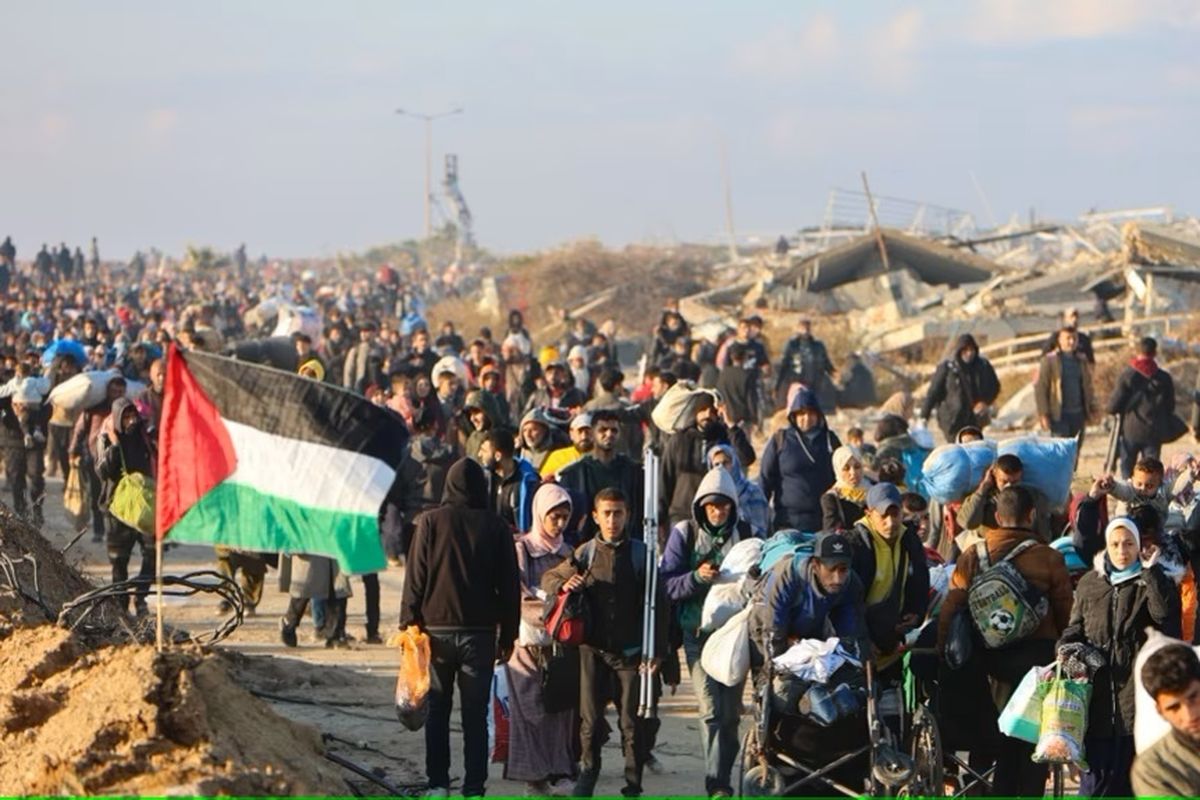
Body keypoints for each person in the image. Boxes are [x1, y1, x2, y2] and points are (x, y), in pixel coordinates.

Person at [937, 486, 1073, 797]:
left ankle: (982, 788)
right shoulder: (1049, 558)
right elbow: (1065, 612)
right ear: (1031, 515)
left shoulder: (974, 555)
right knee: (1030, 741)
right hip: (1036, 664)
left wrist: (942, 650)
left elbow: (952, 606)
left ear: (997, 518)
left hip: (987, 663)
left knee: (987, 733)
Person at [400, 458, 521, 798]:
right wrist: (509, 635)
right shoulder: (496, 527)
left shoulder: (430, 522)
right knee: (475, 716)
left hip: (435, 633)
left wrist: (408, 623)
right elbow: (509, 585)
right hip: (479, 635)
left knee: (437, 711)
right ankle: (474, 788)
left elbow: (415, 577)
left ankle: (438, 785)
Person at [542, 488, 667, 798]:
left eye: (618, 513)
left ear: (628, 516)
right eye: (607, 514)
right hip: (592, 652)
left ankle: (633, 785)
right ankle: (588, 777)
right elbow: (549, 579)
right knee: (590, 722)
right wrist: (565, 583)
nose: (612, 520)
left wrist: (659, 652)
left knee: (631, 723)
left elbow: (661, 606)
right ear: (596, 517)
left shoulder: (641, 554)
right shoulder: (585, 553)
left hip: (630, 653)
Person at [1057, 518, 1181, 797]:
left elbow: (1166, 618)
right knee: (1095, 787)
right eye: (1115, 544)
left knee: (1136, 785)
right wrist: (1066, 648)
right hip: (1097, 703)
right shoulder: (1090, 583)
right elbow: (1075, 627)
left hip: (1137, 703)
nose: (1122, 551)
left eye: (1128, 544)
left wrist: (1151, 573)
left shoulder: (1152, 581)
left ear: (1139, 546)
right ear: (1106, 546)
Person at [660, 468, 752, 797]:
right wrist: (696, 578)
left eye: (723, 505)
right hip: (697, 635)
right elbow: (666, 584)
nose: (717, 511)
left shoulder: (744, 533)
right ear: (701, 506)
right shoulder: (685, 534)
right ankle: (717, 783)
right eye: (711, 506)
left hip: (734, 636)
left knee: (730, 714)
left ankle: (722, 773)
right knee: (710, 710)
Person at [505, 483, 579, 796]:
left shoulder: (568, 553)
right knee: (529, 708)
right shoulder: (522, 549)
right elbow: (518, 595)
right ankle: (533, 777)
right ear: (539, 514)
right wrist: (551, 607)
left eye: (564, 517)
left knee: (560, 710)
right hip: (526, 643)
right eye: (554, 516)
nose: (559, 523)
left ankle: (559, 771)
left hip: (559, 645)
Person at [846, 483, 929, 673]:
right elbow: (847, 602)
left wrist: (915, 612)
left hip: (892, 633)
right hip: (861, 632)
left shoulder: (909, 539)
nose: (890, 523)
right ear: (869, 514)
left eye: (895, 514)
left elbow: (920, 581)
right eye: (883, 516)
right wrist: (863, 641)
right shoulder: (855, 544)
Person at [755, 531, 868, 666]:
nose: (837, 579)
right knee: (771, 670)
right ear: (816, 565)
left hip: (809, 625)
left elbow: (850, 632)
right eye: (831, 569)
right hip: (765, 622)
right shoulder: (786, 575)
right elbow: (773, 628)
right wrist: (774, 666)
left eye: (843, 569)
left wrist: (855, 662)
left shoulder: (851, 583)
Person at [94, 398, 157, 615]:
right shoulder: (106, 438)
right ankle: (121, 604)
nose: (131, 421)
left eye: (133, 416)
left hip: (144, 506)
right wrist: (114, 444)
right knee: (119, 561)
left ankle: (140, 597)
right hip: (117, 509)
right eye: (126, 417)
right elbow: (102, 472)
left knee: (152, 552)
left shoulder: (143, 435)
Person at [660, 390, 755, 527]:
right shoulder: (679, 440)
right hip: (681, 515)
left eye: (712, 411)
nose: (707, 415)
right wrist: (661, 518)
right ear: (695, 412)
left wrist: (731, 426)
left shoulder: (725, 437)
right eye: (703, 410)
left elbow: (747, 458)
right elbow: (665, 479)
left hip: (715, 515)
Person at [758, 387, 840, 533]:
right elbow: (765, 479)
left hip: (825, 521)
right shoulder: (781, 440)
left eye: (811, 413)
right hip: (788, 522)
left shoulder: (830, 440)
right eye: (801, 413)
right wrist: (760, 515)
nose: (807, 418)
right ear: (794, 416)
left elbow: (842, 475)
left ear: (818, 415)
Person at [557, 409, 644, 544]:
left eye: (614, 430)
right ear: (592, 433)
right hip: (585, 545)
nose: (609, 434)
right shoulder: (573, 474)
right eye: (603, 430)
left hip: (626, 545)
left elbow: (640, 512)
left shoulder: (634, 471)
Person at [1132, 644, 1200, 797]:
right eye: (1174, 707)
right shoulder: (1153, 769)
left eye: (1193, 697)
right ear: (1160, 711)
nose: (1190, 715)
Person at [1107, 337, 1178, 479]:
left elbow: (1113, 407)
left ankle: (1130, 492)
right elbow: (1170, 406)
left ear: (1137, 352)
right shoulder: (1164, 378)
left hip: (1130, 430)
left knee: (1127, 471)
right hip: (1154, 431)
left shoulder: (1127, 375)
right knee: (1151, 471)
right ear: (1155, 353)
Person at [72, 374, 126, 543]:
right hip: (95, 459)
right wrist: (73, 450)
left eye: (120, 391)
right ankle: (98, 530)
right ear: (108, 391)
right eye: (114, 390)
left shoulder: (126, 411)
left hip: (119, 461)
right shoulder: (94, 409)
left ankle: (116, 532)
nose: (117, 394)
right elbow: (80, 430)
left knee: (117, 496)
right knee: (97, 495)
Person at [956, 454, 1053, 546]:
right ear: (994, 476)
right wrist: (983, 488)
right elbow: (967, 523)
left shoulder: (1034, 497)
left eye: (1015, 482)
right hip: (989, 547)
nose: (1009, 486)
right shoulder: (984, 497)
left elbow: (1044, 535)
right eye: (1004, 481)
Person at [920, 333, 1000, 442]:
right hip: (952, 420)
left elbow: (994, 386)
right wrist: (924, 416)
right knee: (956, 448)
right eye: (965, 350)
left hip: (975, 418)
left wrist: (985, 402)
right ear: (959, 351)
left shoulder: (983, 366)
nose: (969, 353)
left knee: (973, 446)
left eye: (971, 350)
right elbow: (933, 393)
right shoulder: (948, 368)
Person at [1035, 327, 1096, 441]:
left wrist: (1091, 407)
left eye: (1074, 339)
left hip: (1078, 414)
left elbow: (1088, 386)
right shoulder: (1049, 361)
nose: (1071, 342)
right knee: (1061, 448)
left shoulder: (1081, 361)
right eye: (1068, 338)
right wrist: (1043, 414)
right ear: (1060, 340)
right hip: (1059, 415)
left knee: (1075, 448)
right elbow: (1041, 388)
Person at [2, 377, 48, 526]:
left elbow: (48, 409)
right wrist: (13, 410)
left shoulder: (38, 391)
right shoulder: (7, 394)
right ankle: (21, 512)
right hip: (13, 443)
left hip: (34, 443)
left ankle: (37, 509)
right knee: (16, 478)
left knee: (36, 477)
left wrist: (30, 412)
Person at [478, 428, 540, 534]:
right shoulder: (483, 478)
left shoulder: (529, 483)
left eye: (484, 451)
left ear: (498, 456)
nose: (479, 454)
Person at [706, 443, 769, 539]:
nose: (721, 467)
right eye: (716, 464)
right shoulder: (709, 495)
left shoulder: (752, 491)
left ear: (734, 463)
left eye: (725, 462)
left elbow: (760, 530)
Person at [775, 317, 836, 412]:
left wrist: (833, 373)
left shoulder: (818, 346)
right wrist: (777, 386)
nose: (805, 330)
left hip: (815, 384)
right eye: (802, 327)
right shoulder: (792, 345)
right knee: (798, 409)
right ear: (798, 328)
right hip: (797, 383)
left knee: (812, 410)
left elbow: (826, 363)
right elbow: (783, 365)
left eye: (807, 327)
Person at [821, 445, 870, 533]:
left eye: (857, 467)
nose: (853, 473)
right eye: (846, 468)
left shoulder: (873, 491)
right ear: (838, 470)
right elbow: (830, 531)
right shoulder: (832, 498)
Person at [714, 342, 758, 431]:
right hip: (742, 420)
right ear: (745, 356)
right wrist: (754, 419)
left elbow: (718, 395)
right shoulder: (746, 376)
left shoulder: (723, 374)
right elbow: (751, 400)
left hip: (725, 417)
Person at [540, 411, 594, 478]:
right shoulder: (557, 457)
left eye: (588, 432)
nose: (584, 437)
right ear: (571, 434)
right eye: (579, 432)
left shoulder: (602, 457)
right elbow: (543, 480)